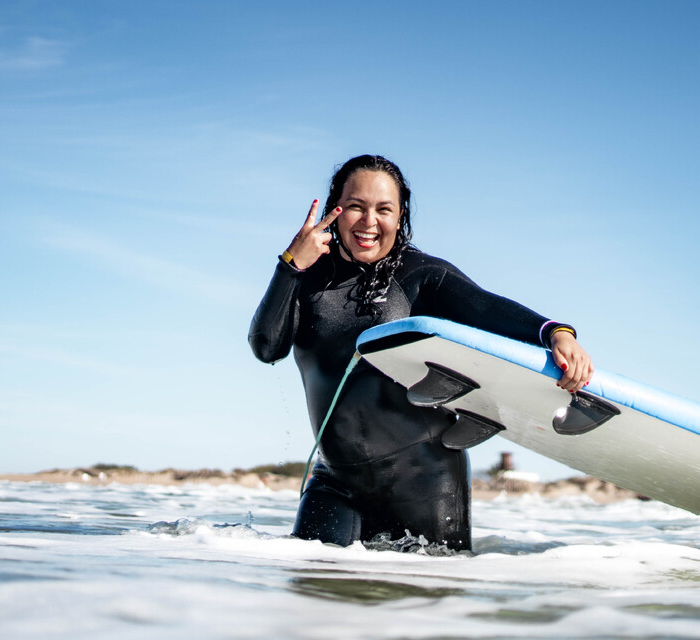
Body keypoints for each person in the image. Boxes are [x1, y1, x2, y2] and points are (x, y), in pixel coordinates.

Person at [249, 155, 592, 551]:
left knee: (424, 604)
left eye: (384, 209)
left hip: (423, 480)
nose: (369, 221)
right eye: (356, 206)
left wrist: (557, 333)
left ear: (400, 216)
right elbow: (266, 347)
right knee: (315, 596)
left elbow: (488, 308)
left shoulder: (421, 275)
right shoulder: (306, 277)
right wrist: (290, 266)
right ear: (334, 210)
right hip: (334, 481)